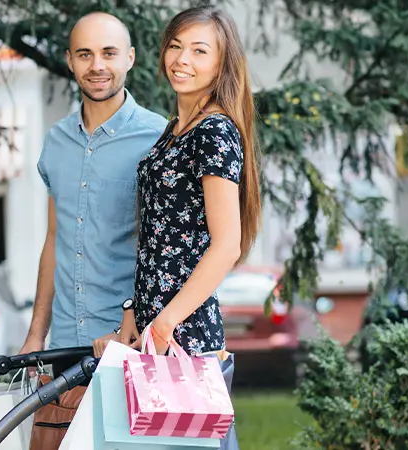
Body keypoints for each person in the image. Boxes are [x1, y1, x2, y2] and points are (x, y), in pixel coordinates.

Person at [19, 12, 170, 370]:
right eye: (85, 54)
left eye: (109, 53)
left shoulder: (159, 138)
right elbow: (55, 240)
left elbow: (169, 251)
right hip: (65, 344)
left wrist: (136, 325)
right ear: (70, 61)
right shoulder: (56, 141)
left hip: (130, 343)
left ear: (129, 58)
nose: (97, 65)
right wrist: (36, 335)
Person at [112, 4, 262, 358]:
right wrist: (133, 309)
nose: (182, 59)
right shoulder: (175, 131)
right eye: (176, 46)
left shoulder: (214, 131)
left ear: (222, 63)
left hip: (184, 333)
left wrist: (165, 325)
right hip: (151, 325)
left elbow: (227, 246)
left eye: (199, 51)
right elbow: (157, 233)